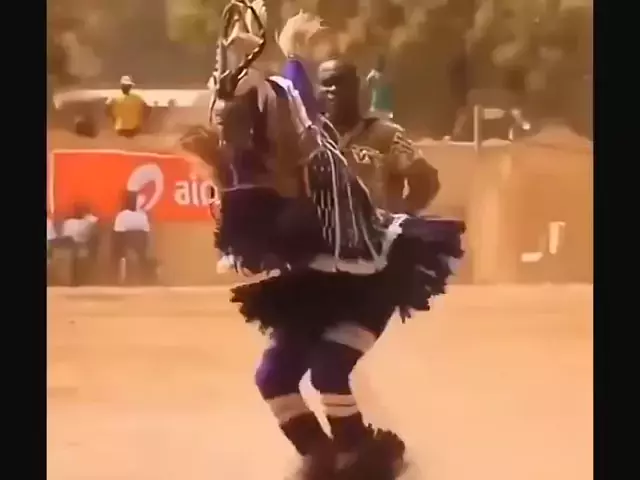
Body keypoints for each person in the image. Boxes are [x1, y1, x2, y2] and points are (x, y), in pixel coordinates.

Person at [181, 3, 464, 479]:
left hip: (366, 269)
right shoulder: (261, 158)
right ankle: (322, 459)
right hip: (310, 276)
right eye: (325, 85)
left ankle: (366, 461)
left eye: (340, 84)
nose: (331, 93)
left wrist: (391, 217)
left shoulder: (347, 136)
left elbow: (293, 102)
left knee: (329, 370)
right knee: (273, 378)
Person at [319, 59, 440, 215]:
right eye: (327, 84)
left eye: (341, 83)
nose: (333, 90)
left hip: (377, 228)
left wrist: (402, 216)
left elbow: (426, 181)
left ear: (356, 88)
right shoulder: (313, 138)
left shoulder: (387, 136)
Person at [111, 191, 155, 284]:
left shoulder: (121, 215)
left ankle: (114, 279)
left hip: (124, 248)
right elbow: (146, 232)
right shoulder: (143, 215)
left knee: (115, 248)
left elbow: (117, 233)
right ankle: (145, 279)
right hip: (141, 249)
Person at [365, 55, 394, 121]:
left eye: (383, 62)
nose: (382, 64)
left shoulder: (386, 73)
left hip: (385, 105)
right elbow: (367, 84)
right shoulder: (373, 74)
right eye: (381, 62)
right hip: (377, 104)